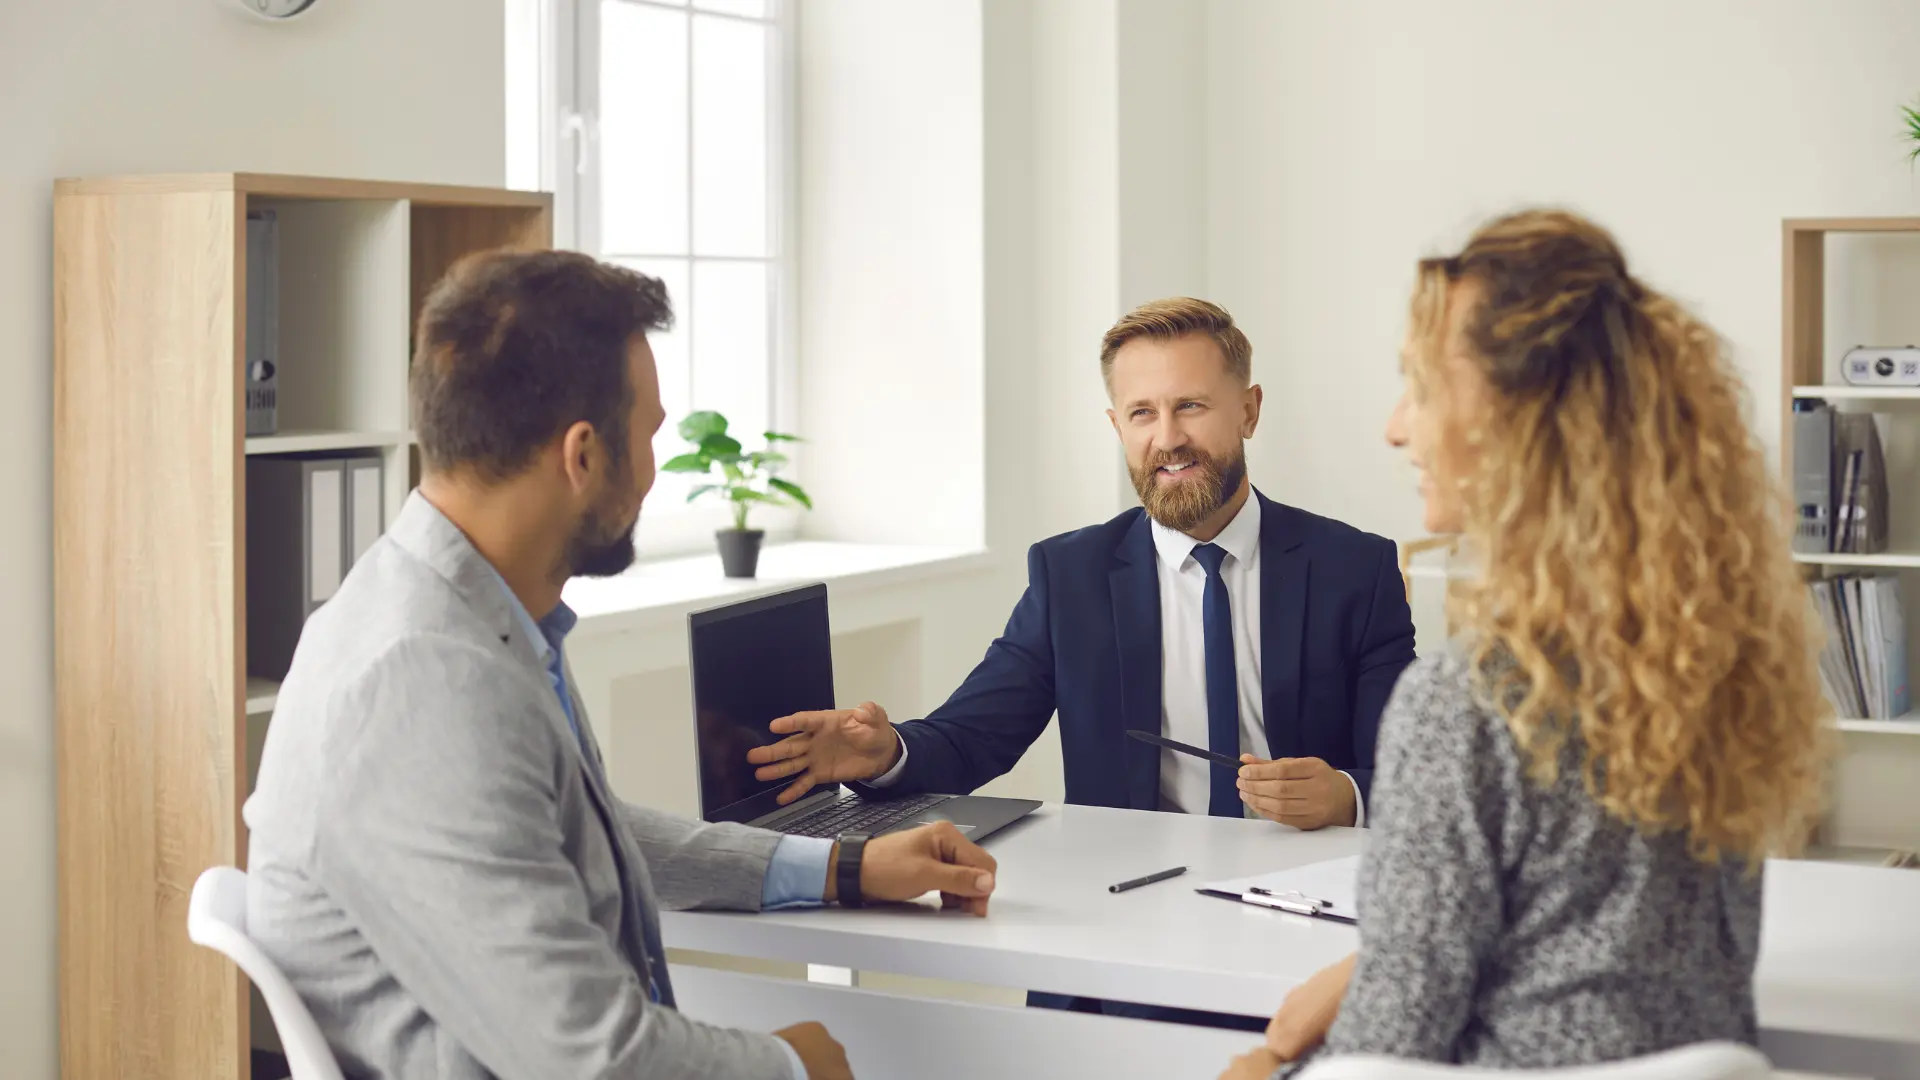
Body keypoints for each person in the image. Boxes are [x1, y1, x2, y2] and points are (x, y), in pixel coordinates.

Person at [244, 249, 1002, 1080]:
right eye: (647, 437)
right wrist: (793, 1068)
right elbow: (591, 1060)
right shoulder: (424, 677)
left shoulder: (457, 614)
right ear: (581, 455)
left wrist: (845, 866)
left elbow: (574, 824)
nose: (650, 472)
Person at [1217, 209, 1831, 1080]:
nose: (1397, 427)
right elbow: (1594, 944)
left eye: (1421, 389)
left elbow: (1385, 1055)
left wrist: (1262, 1066)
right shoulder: (1712, 661)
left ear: (1519, 422)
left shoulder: (1470, 703)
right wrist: (1378, 961)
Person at [751, 297, 1416, 1027]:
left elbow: (1414, 780)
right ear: (1116, 426)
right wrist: (888, 751)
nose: (1168, 439)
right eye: (1142, 414)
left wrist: (1345, 795)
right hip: (1123, 929)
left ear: (1249, 411)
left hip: (1304, 930)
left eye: (1191, 406)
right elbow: (974, 736)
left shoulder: (1358, 569)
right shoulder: (1070, 575)